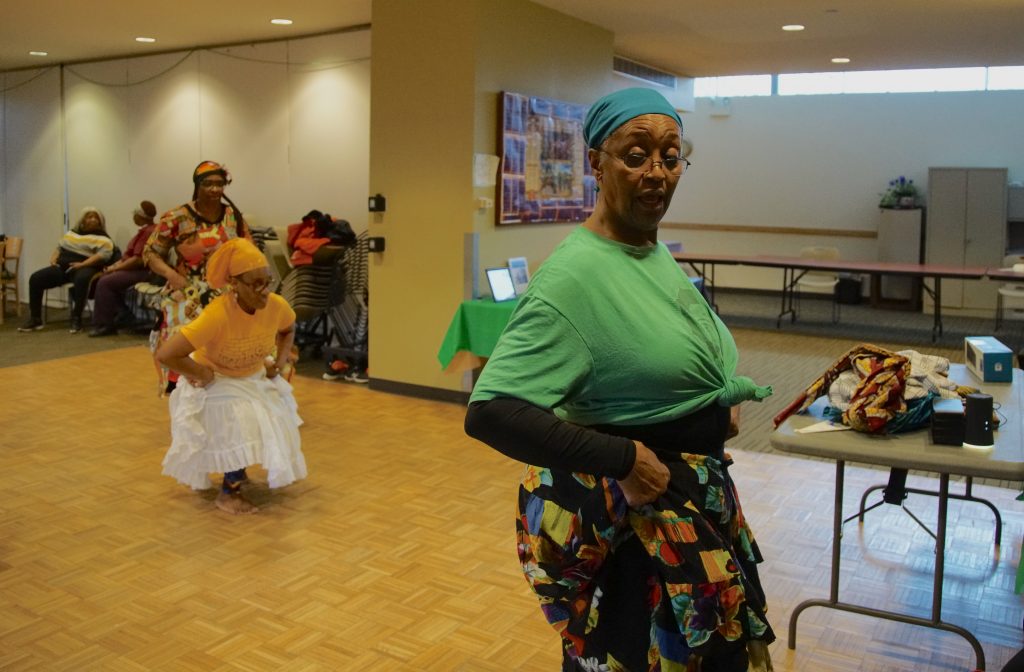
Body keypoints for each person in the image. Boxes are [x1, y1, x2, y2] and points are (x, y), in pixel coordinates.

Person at [464, 88, 775, 671]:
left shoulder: (647, 251)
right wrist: (624, 459)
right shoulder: (574, 278)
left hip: (693, 500)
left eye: (671, 155)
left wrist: (715, 397)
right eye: (636, 155)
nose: (657, 172)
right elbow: (492, 410)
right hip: (638, 532)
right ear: (595, 163)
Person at [157, 238, 305, 515]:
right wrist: (200, 372)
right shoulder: (217, 314)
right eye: (255, 284)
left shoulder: (276, 305)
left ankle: (236, 470)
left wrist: (280, 362)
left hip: (252, 374)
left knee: (273, 416)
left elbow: (288, 330)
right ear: (234, 284)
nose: (264, 292)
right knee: (241, 418)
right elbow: (166, 354)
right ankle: (228, 493)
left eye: (268, 282)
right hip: (217, 379)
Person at [143, 161, 252, 393]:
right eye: (208, 184)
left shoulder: (233, 216)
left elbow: (248, 250)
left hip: (224, 290)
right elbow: (150, 253)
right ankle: (180, 392)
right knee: (181, 341)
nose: (214, 189)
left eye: (219, 184)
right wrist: (173, 276)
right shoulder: (178, 216)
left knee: (232, 343)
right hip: (187, 289)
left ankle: (225, 395)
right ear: (197, 185)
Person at [18, 207, 115, 334]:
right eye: (89, 217)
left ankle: (77, 318)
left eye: (95, 217)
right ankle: (35, 319)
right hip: (63, 267)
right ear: (83, 220)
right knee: (36, 278)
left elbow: (103, 255)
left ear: (100, 221)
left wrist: (82, 264)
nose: (92, 220)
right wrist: (53, 258)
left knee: (81, 280)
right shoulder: (72, 234)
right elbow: (60, 247)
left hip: (86, 266)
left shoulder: (104, 239)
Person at [88, 200, 159, 337]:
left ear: (140, 216)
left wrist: (116, 268)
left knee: (106, 282)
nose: (133, 217)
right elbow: (128, 256)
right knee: (103, 278)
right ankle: (123, 313)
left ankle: (105, 325)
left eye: (134, 214)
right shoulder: (143, 231)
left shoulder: (148, 232)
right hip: (133, 269)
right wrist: (114, 267)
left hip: (144, 271)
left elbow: (137, 260)